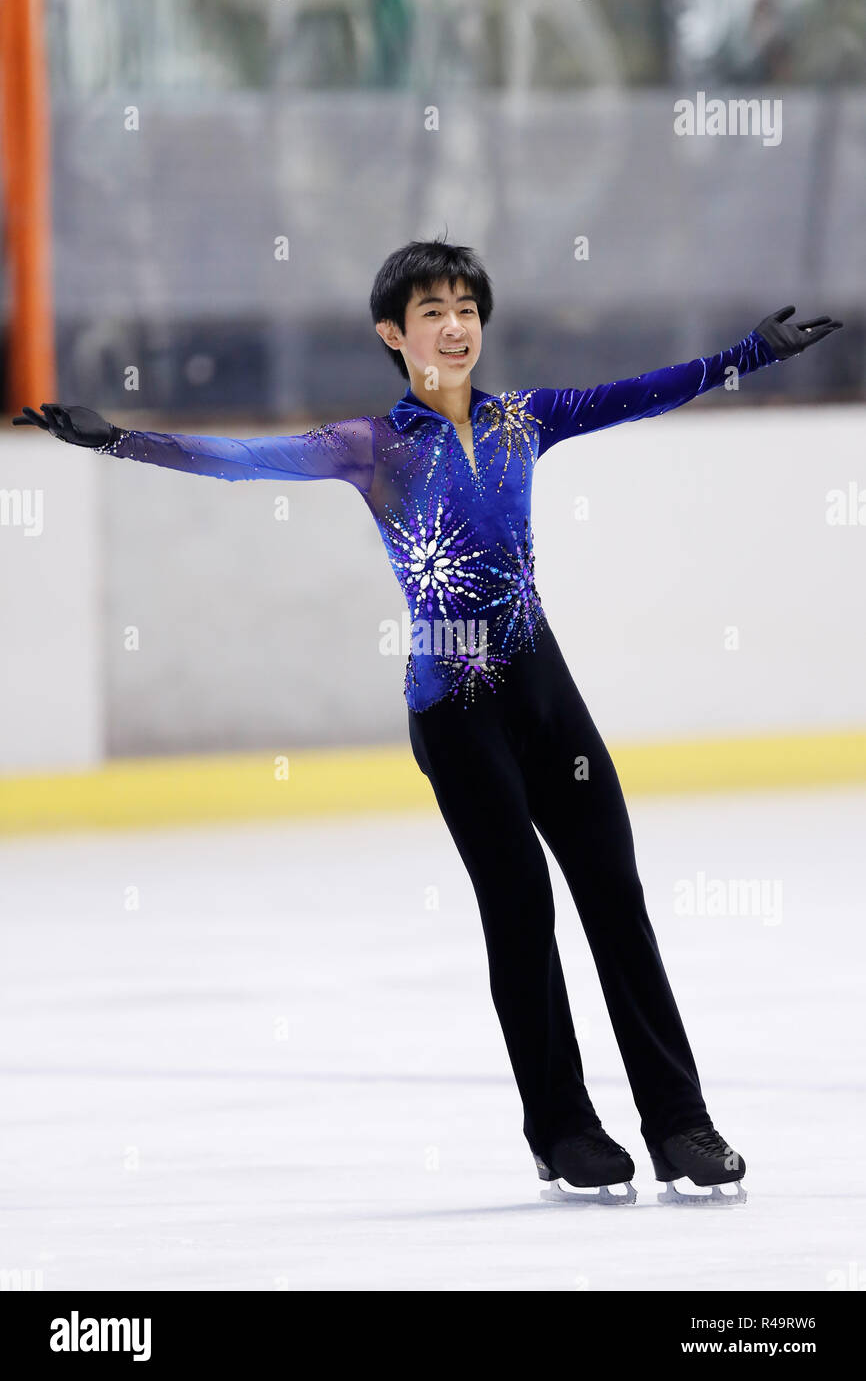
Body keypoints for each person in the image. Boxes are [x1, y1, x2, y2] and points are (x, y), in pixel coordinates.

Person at [13, 239, 842, 1204]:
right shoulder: (373, 447)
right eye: (433, 312)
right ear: (394, 336)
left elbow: (638, 391)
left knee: (615, 896)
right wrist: (120, 440)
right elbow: (241, 460)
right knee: (522, 909)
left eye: (467, 309)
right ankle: (563, 1129)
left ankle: (682, 1126)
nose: (455, 327)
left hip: (544, 692)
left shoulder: (526, 420)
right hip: (454, 713)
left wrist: (749, 353)